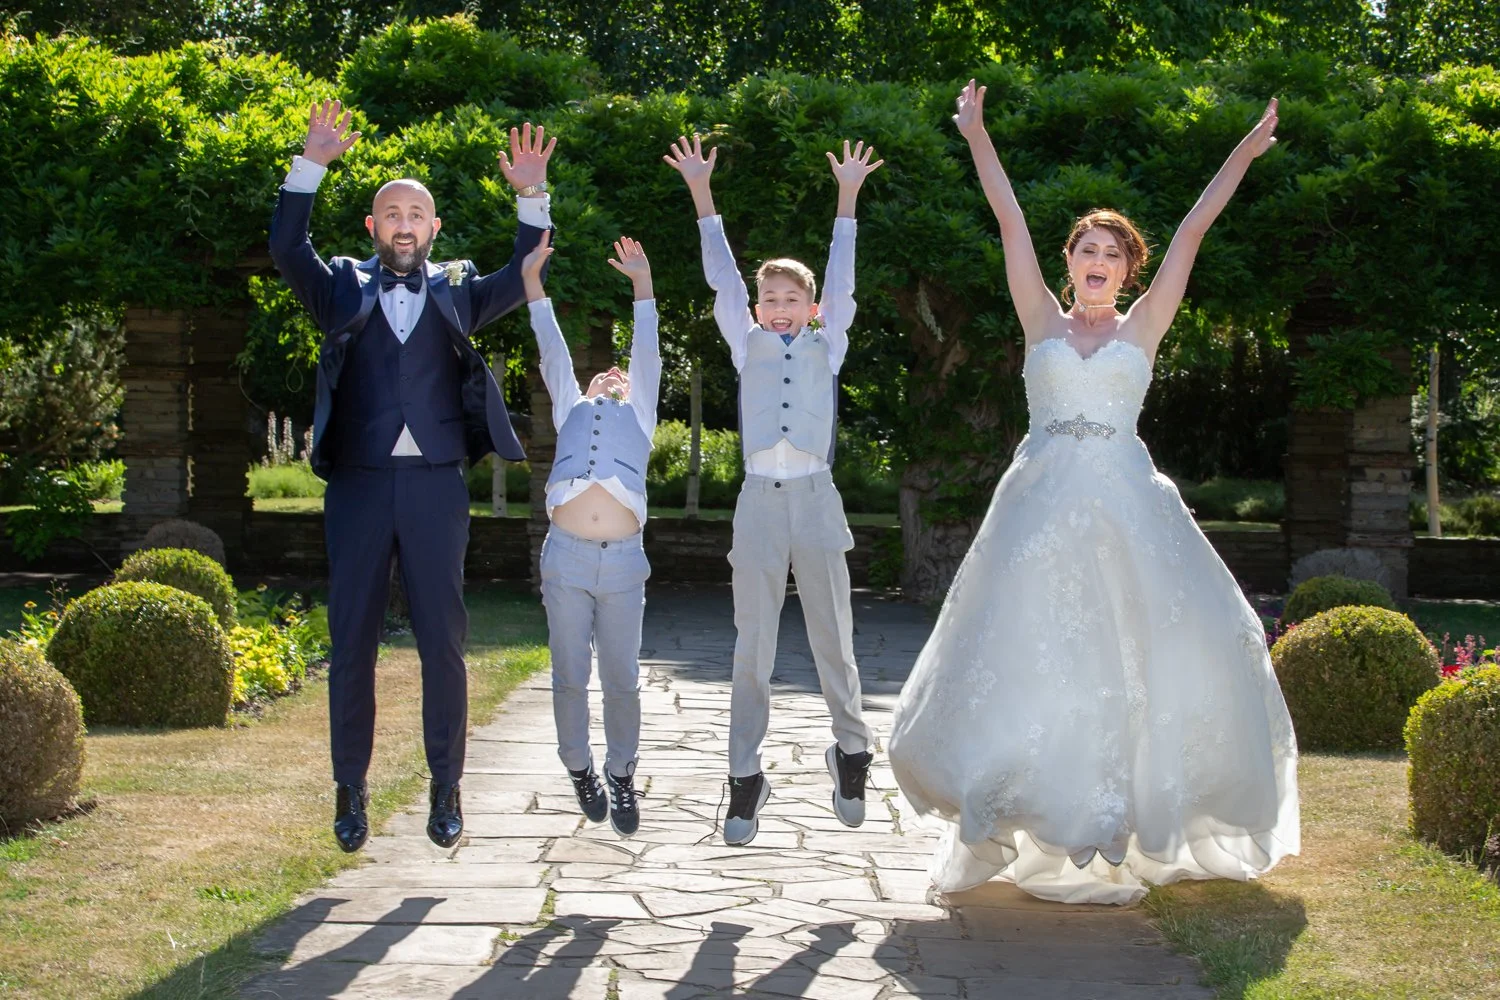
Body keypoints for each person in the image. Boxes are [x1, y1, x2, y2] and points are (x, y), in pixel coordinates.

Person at [888, 82, 1300, 905]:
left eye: (1113, 253)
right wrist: (975, 135)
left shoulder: (1143, 327)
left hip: (1126, 508)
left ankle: (1111, 813)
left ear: (1128, 268)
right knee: (1027, 655)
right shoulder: (1039, 320)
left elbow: (1192, 230)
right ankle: (1016, 797)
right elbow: (1007, 220)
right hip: (1034, 511)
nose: (1098, 263)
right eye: (1087, 250)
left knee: (1126, 660)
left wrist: (1245, 153)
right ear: (1069, 261)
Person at [268, 101, 555, 853]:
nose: (403, 224)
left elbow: (526, 269)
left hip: (435, 487)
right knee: (351, 641)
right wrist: (312, 168)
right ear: (372, 228)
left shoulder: (459, 293)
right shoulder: (339, 288)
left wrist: (532, 194)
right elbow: (286, 245)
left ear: (432, 231)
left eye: (416, 215)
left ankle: (445, 786)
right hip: (359, 486)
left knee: (443, 641)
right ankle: (349, 790)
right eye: (390, 213)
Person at [665, 135, 883, 846]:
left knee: (834, 639)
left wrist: (847, 197)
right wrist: (702, 191)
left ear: (812, 307)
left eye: (793, 298)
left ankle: (852, 752)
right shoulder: (745, 338)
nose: (779, 306)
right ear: (758, 307)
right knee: (751, 646)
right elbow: (721, 275)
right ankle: (744, 776)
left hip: (817, 501)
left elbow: (846, 280)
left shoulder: (831, 343)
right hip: (759, 503)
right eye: (771, 298)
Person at [520, 230, 659, 838]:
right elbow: (551, 348)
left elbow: (649, 352)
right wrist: (532, 284)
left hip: (624, 563)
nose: (611, 376)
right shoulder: (570, 407)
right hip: (568, 560)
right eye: (600, 376)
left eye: (619, 376)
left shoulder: (641, 413)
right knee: (570, 672)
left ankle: (622, 772)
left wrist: (643, 287)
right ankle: (579, 766)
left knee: (622, 679)